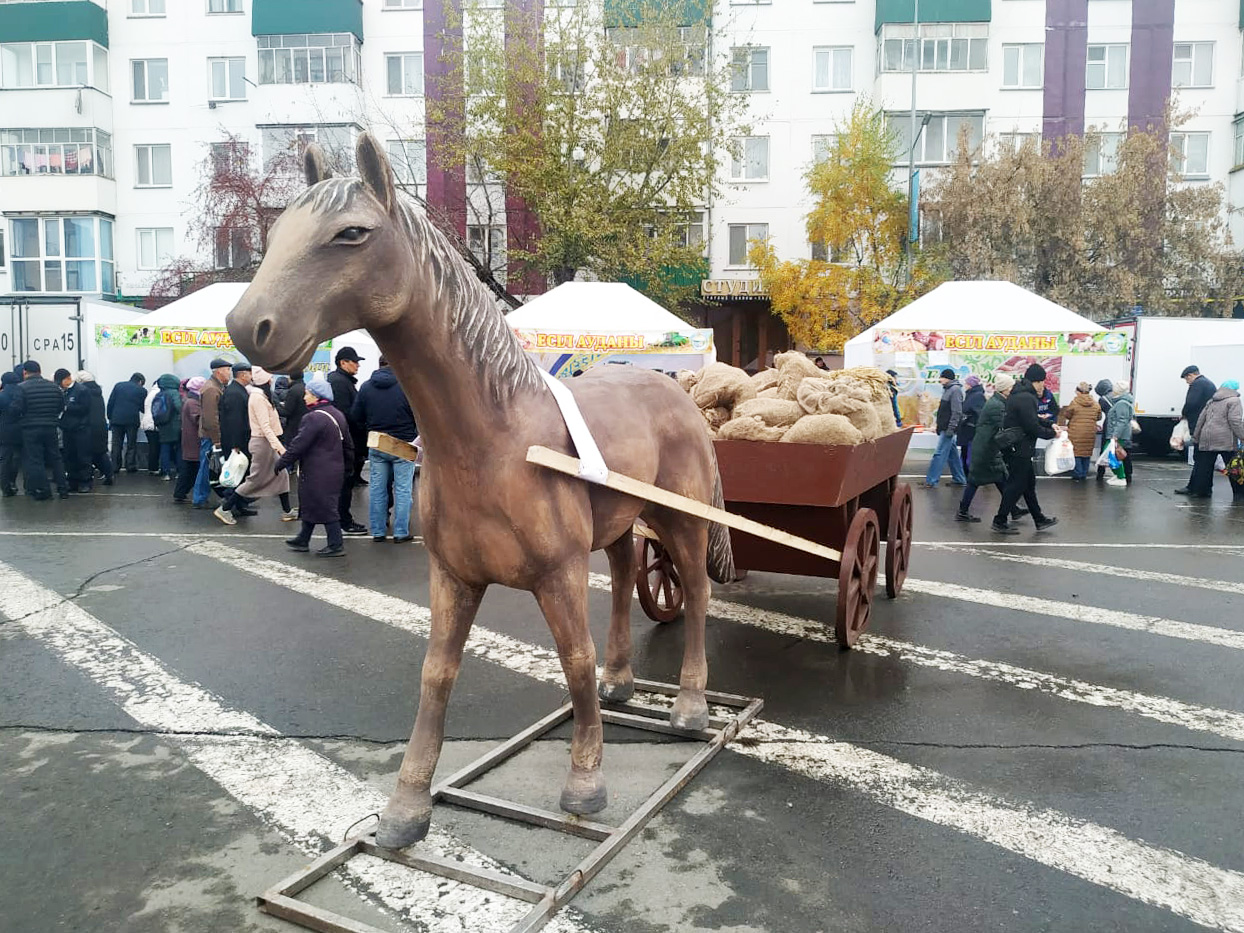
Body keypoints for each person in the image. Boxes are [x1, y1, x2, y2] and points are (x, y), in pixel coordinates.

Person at [276, 376, 354, 557]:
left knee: (325, 506)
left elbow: (298, 445)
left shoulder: (313, 418)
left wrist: (281, 463)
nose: (304, 398)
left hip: (317, 470)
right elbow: (348, 444)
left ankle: (335, 545)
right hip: (334, 469)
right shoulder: (337, 413)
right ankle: (303, 538)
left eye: (308, 394)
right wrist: (348, 467)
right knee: (313, 503)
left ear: (317, 397)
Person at [215, 367, 295, 525]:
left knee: (282, 475)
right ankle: (225, 509)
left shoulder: (261, 396)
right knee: (255, 480)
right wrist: (280, 447)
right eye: (269, 377)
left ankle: (288, 511)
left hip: (265, 443)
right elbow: (265, 427)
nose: (271, 380)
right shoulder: (258, 398)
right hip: (262, 443)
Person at [352, 356, 418, 543]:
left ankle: (379, 531)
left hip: (377, 441)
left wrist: (370, 426)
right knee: (403, 490)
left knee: (377, 490)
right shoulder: (407, 386)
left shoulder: (366, 387)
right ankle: (400, 532)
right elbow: (417, 414)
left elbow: (355, 415)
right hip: (403, 443)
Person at [992, 363, 1059, 534]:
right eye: (1042, 382)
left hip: (1018, 447)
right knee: (1015, 485)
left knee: (1028, 484)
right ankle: (999, 520)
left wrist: (1050, 424)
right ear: (1035, 381)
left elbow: (1032, 419)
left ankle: (1039, 519)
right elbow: (1031, 426)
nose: (1043, 385)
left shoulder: (1021, 394)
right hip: (1019, 448)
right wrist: (1052, 433)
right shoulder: (1026, 398)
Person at [957, 374, 1028, 524]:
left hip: (987, 447)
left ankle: (1013, 509)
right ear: (1005, 389)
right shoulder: (997, 405)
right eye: (1011, 387)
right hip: (986, 449)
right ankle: (962, 511)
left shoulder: (999, 402)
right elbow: (1005, 426)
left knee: (1000, 478)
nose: (1013, 389)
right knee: (976, 480)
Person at [11, 360, 68, 500]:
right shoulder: (54, 387)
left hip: (30, 429)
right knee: (56, 458)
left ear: (25, 372)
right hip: (51, 427)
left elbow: (16, 409)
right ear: (40, 371)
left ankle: (44, 490)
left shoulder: (21, 388)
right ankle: (63, 489)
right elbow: (61, 406)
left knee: (36, 460)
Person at [1188, 380, 1243, 499]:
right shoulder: (1234, 400)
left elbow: (1201, 420)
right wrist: (1242, 436)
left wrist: (1196, 437)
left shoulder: (1212, 401)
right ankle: (1239, 493)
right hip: (1225, 439)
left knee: (1204, 467)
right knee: (1234, 466)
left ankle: (1200, 492)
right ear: (1235, 389)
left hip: (1206, 438)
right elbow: (1235, 421)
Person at [62, 372, 112, 492]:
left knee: (80, 456)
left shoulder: (80, 391)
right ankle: (108, 475)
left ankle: (79, 481)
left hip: (84, 427)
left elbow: (81, 409)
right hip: (99, 425)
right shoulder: (97, 392)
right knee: (99, 453)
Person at [194, 359, 231, 508]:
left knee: (210, 467)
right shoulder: (212, 389)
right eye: (227, 369)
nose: (229, 373)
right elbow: (210, 418)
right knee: (206, 467)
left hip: (211, 436)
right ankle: (199, 498)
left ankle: (202, 497)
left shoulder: (216, 386)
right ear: (219, 371)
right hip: (211, 436)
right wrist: (217, 439)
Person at [328, 347, 368, 486]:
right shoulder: (339, 382)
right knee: (345, 480)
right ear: (343, 363)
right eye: (355, 362)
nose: (358, 365)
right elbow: (343, 411)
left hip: (349, 433)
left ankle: (355, 478)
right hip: (347, 434)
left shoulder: (344, 380)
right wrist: (361, 423)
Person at [1176, 365, 1216, 495]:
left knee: (1200, 458)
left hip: (1199, 425)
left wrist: (1183, 413)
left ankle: (1197, 489)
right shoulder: (1209, 384)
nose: (1187, 382)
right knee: (1204, 459)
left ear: (1191, 375)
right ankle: (1199, 487)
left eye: (1186, 379)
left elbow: (1191, 403)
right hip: (1208, 425)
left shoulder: (1197, 384)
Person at [922, 368, 966, 487]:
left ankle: (931, 481)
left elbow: (957, 411)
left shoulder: (955, 390)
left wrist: (951, 428)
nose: (940, 380)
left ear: (947, 378)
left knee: (939, 454)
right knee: (952, 455)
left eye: (941, 377)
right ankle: (960, 479)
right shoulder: (949, 390)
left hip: (948, 428)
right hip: (945, 427)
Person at [1057, 381, 1100, 481]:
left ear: (1079, 391)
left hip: (1076, 432)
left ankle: (1078, 474)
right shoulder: (1095, 404)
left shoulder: (1075, 402)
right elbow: (1098, 416)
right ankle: (1084, 473)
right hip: (1090, 433)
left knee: (1076, 453)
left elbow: (1067, 415)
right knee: (1086, 453)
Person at [106, 372, 146, 474]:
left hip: (117, 419)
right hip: (132, 420)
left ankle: (115, 466)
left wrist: (110, 417)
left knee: (116, 444)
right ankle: (130, 466)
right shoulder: (141, 390)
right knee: (131, 444)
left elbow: (111, 402)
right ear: (140, 382)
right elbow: (142, 407)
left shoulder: (118, 386)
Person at [174, 377, 204, 504]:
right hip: (193, 441)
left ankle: (180, 493)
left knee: (190, 469)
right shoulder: (193, 402)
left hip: (190, 440)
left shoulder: (190, 400)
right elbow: (198, 419)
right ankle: (180, 492)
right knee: (190, 469)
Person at [1102, 379, 1136, 488]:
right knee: (1113, 455)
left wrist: (1115, 435)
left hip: (1117, 435)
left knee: (1113, 455)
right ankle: (1119, 476)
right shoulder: (1122, 402)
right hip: (1117, 434)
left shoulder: (1121, 403)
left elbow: (1122, 420)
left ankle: (1121, 477)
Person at [152, 373, 182, 481]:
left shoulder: (159, 394)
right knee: (179, 449)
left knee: (164, 449)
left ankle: (166, 473)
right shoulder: (175, 393)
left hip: (163, 426)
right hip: (175, 426)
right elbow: (179, 408)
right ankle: (179, 472)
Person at [0, 371, 22, 496]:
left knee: (4, 459)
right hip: (21, 429)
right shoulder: (22, 392)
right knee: (18, 457)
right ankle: (13, 482)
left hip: (5, 429)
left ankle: (5, 486)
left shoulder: (1, 395)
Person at [957, 375, 985, 473]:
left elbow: (979, 413)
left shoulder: (977, 396)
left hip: (971, 431)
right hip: (968, 430)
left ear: (970, 385)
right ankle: (966, 476)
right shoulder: (973, 394)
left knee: (969, 457)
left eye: (966, 383)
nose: (965, 385)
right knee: (965, 455)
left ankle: (971, 477)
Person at [1094, 378, 1114, 482]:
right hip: (1119, 425)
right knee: (1119, 449)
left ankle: (1100, 474)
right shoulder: (1117, 396)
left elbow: (1099, 413)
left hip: (1109, 425)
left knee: (1104, 449)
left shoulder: (1103, 399)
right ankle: (1125, 474)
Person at [282, 369, 307, 447]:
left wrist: (276, 407)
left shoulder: (293, 390)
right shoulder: (306, 387)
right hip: (305, 425)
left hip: (294, 427)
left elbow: (287, 411)